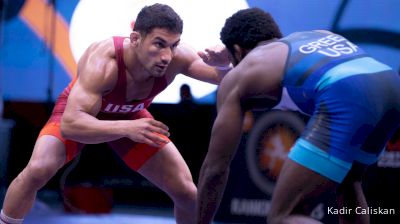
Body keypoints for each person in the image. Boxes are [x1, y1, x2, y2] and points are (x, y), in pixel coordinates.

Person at [0, 3, 231, 224]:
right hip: (80, 115)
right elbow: (70, 125)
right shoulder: (104, 61)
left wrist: (223, 66)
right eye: (159, 44)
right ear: (135, 39)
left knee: (187, 192)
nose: (166, 56)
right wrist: (126, 128)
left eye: (173, 45)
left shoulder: (177, 58)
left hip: (130, 116)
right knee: (38, 170)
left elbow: (231, 80)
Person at [196, 7, 400, 224]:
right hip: (390, 83)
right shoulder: (319, 34)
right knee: (349, 181)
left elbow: (215, 168)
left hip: (348, 92)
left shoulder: (244, 71)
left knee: (283, 216)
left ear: (237, 51)